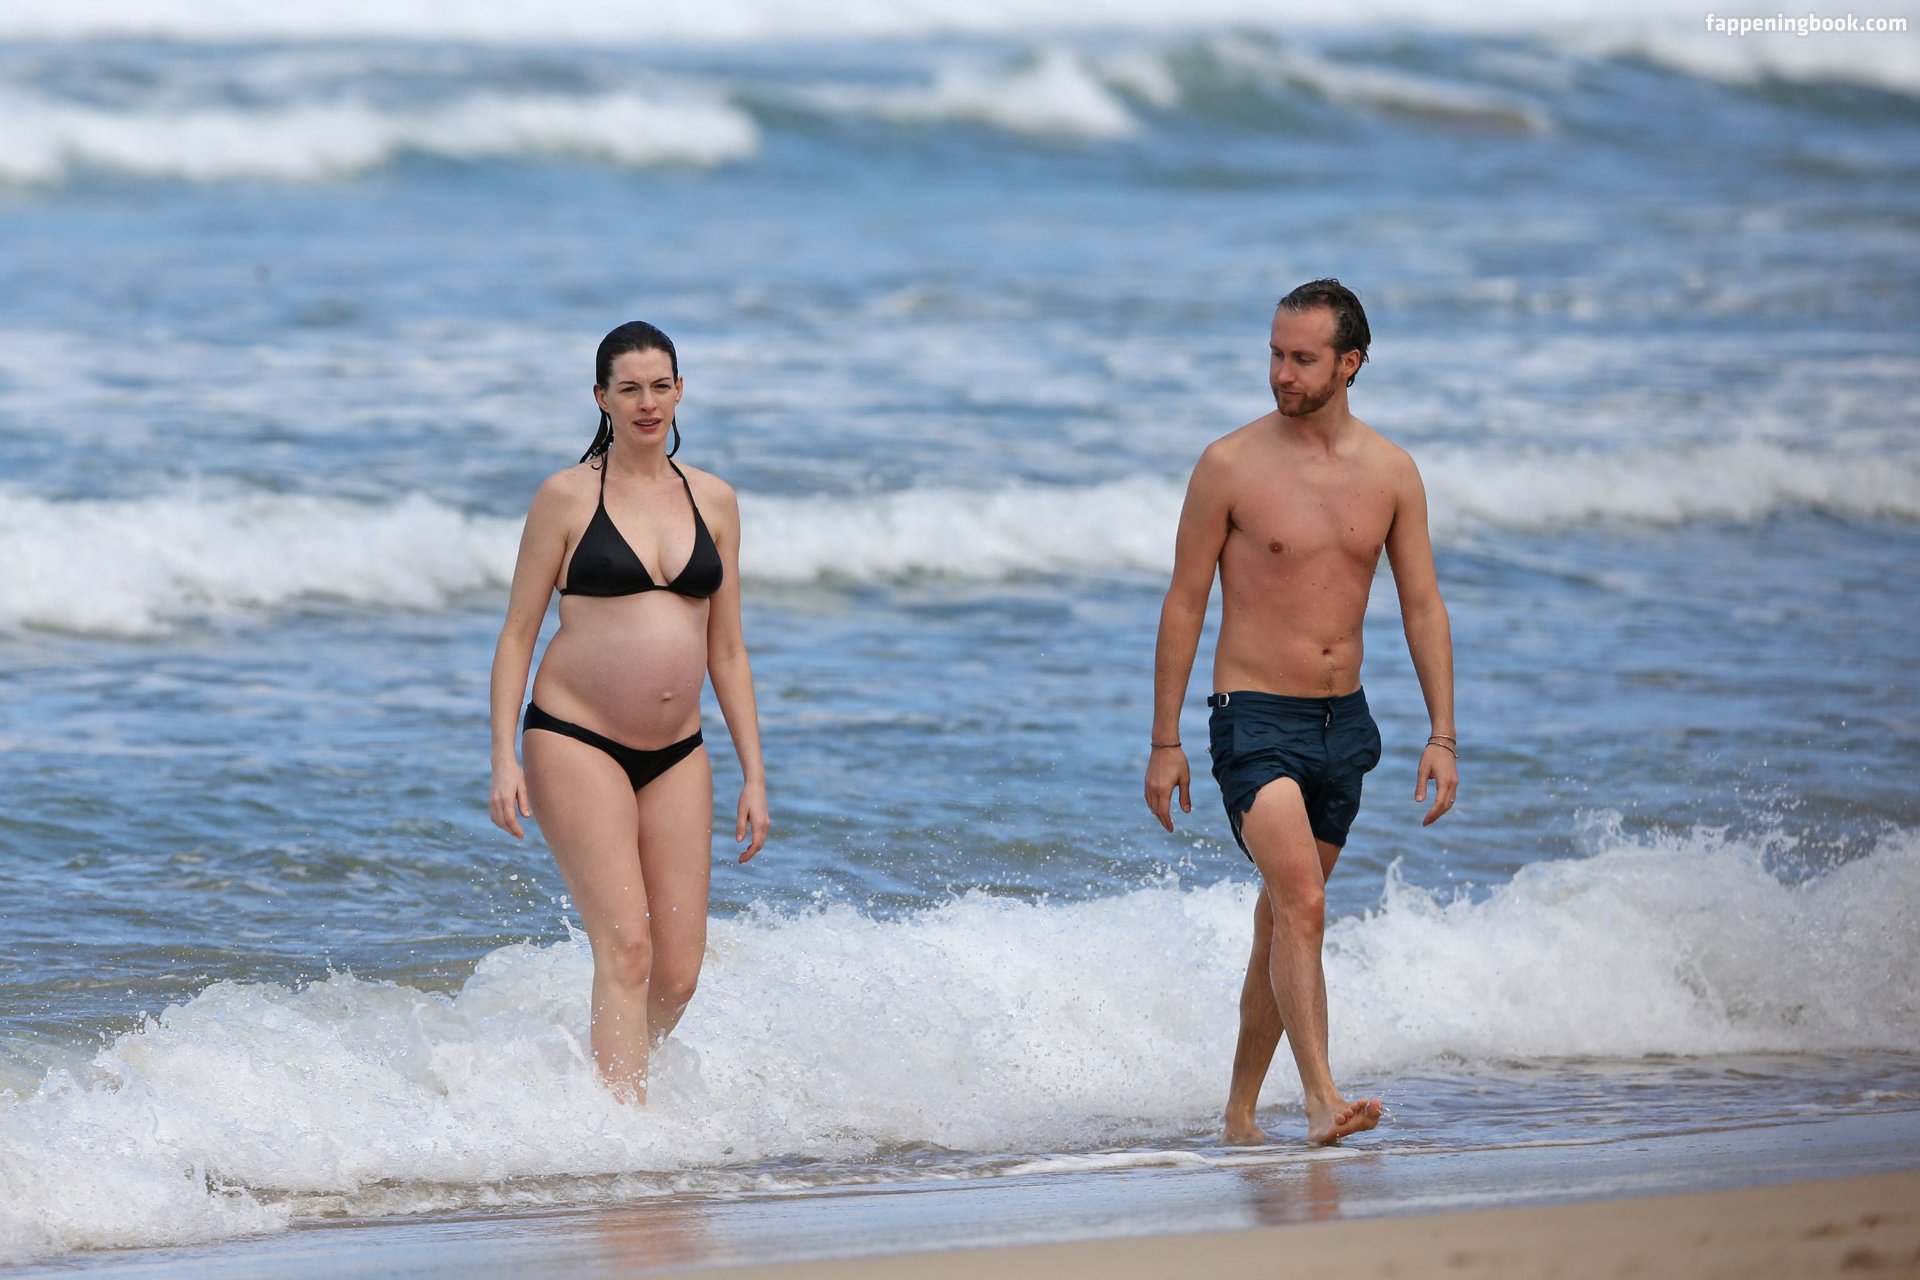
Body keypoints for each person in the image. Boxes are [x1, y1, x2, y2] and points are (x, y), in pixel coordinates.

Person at [1143, 279, 1457, 1145]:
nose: (1282, 372)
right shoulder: (1230, 466)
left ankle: (1240, 1114)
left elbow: (1423, 605)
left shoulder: (1392, 473)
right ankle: (1322, 1099)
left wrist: (1442, 734)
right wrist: (1166, 740)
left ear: (1349, 363)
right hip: (1254, 720)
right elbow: (1183, 602)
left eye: (1303, 358)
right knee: (1304, 903)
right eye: (1276, 354)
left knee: (1281, 919)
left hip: (1342, 726)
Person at [488, 321, 769, 1102]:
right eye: (630, 389)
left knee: (677, 975)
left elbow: (728, 650)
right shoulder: (566, 497)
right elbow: (517, 634)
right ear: (602, 398)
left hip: (679, 751)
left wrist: (754, 773)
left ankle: (600, 1086)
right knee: (629, 952)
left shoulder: (714, 500)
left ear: (680, 391)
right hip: (575, 737)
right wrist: (503, 757)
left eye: (660, 386)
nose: (648, 402)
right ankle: (623, 1135)